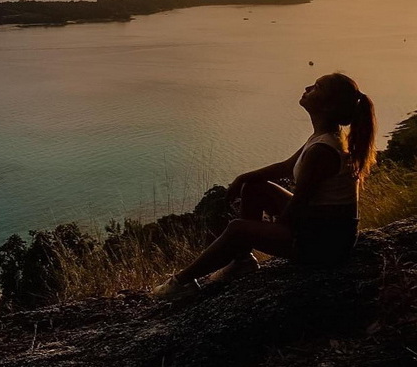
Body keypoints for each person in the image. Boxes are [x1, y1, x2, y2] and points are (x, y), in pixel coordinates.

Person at [152, 72, 377, 299]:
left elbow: (298, 205)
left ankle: (181, 282)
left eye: (317, 87)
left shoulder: (323, 150)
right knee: (254, 186)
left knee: (237, 229)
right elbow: (288, 167)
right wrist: (244, 178)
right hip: (323, 228)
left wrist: (267, 232)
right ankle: (242, 262)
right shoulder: (324, 137)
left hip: (324, 245)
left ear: (328, 106)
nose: (308, 87)